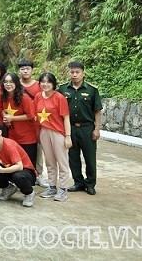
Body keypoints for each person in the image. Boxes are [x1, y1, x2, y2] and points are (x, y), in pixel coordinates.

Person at [60, 61, 102, 196]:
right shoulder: (63, 89)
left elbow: (97, 111)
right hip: (71, 128)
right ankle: (78, 182)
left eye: (77, 72)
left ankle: (90, 184)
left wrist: (97, 129)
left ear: (83, 73)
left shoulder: (91, 90)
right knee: (73, 157)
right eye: (72, 72)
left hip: (87, 128)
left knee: (90, 157)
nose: (74, 75)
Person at [0, 119, 37, 207]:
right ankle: (8, 188)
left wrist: (2, 170)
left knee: (17, 176)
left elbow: (20, 166)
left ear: (0, 132)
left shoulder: (9, 145)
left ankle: (29, 193)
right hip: (9, 169)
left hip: (26, 172)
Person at [35, 72, 72, 202]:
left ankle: (63, 189)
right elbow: (36, 117)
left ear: (53, 84)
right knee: (49, 162)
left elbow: (66, 118)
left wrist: (68, 136)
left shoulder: (59, 98)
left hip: (58, 132)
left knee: (62, 162)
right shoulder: (38, 96)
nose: (45, 84)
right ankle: (52, 187)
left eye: (48, 82)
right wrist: (38, 133)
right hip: (44, 131)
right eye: (43, 82)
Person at [17, 58, 48, 188]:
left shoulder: (38, 85)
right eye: (22, 69)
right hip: (19, 124)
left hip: (36, 123)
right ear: (19, 71)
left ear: (32, 70)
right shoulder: (15, 84)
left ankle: (39, 174)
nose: (25, 71)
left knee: (38, 150)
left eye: (27, 68)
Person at [0, 72, 38, 166]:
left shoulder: (24, 98)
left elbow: (30, 115)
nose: (8, 84)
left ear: (16, 83)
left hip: (27, 137)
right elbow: (0, 109)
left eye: (11, 82)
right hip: (12, 136)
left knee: (28, 164)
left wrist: (12, 118)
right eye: (5, 82)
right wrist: (5, 116)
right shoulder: (2, 96)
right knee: (15, 162)